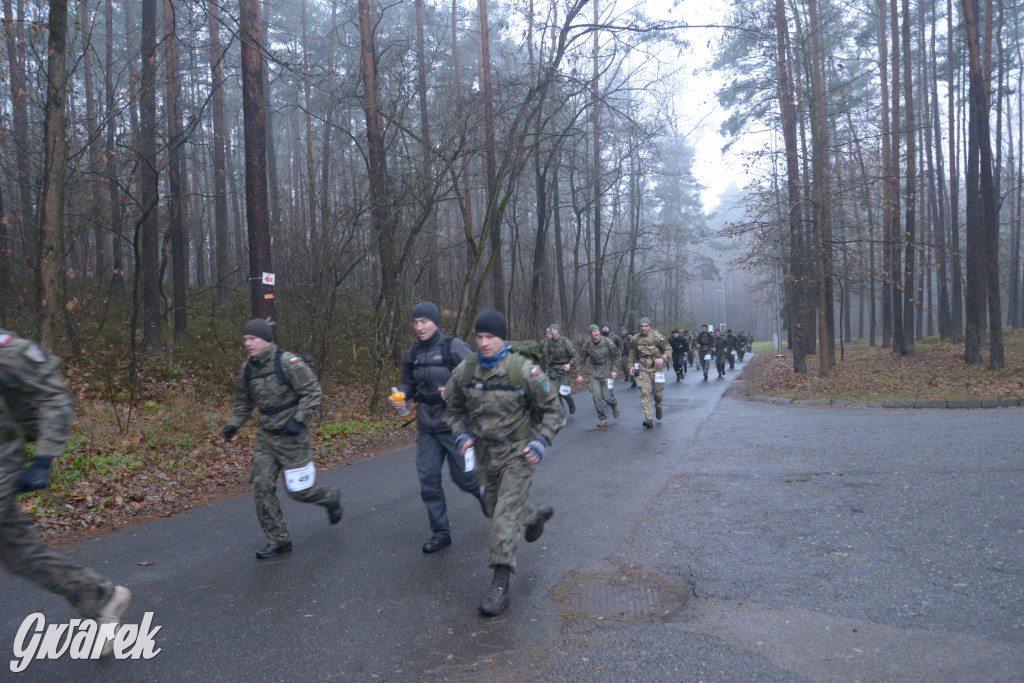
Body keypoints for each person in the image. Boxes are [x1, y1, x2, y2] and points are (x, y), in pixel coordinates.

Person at [0, 330, 130, 656]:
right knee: (21, 555)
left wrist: (44, 458)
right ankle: (99, 596)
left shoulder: (6, 350)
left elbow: (54, 394)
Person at [444, 310, 566, 616]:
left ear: (502, 338)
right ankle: (534, 517)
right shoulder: (467, 370)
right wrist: (460, 435)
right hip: (485, 456)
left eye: (490, 337)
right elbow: (453, 407)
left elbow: (554, 410)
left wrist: (541, 440)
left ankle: (500, 586)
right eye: (480, 337)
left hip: (518, 454)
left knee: (503, 519)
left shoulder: (523, 371)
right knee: (493, 509)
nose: (483, 343)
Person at [223, 319, 342, 559]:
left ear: (265, 340)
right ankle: (279, 539)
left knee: (299, 491)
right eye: (245, 339)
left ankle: (330, 498)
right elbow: (243, 402)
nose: (247, 343)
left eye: (252, 339)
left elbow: (312, 391)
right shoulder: (248, 369)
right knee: (262, 486)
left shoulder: (288, 363)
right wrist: (234, 424)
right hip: (266, 438)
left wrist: (299, 419)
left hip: (293, 438)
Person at [391, 302, 486, 554]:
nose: (419, 327)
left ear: (435, 322)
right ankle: (441, 533)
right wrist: (402, 394)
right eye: (416, 322)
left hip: (456, 427)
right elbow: (409, 383)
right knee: (428, 478)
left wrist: (457, 390)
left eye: (424, 321)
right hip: (427, 427)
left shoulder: (453, 347)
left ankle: (492, 502)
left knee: (466, 479)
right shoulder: (412, 353)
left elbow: (479, 376)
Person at [574, 324, 621, 428]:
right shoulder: (587, 346)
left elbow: (617, 356)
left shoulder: (607, 342)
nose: (596, 333)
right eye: (593, 332)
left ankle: (614, 404)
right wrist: (578, 374)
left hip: (607, 372)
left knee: (607, 397)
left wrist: (614, 370)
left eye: (597, 331)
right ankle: (602, 418)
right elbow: (581, 361)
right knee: (596, 396)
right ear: (590, 334)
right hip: (594, 373)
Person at [628, 317, 671, 428]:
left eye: (646, 326)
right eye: (641, 326)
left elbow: (668, 349)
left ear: (650, 326)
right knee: (644, 392)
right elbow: (632, 352)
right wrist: (631, 366)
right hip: (643, 369)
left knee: (658, 393)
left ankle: (659, 406)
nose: (643, 328)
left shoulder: (657, 337)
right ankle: (649, 418)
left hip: (656, 369)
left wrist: (662, 358)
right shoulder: (636, 338)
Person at [541, 323, 576, 415]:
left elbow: (575, 356)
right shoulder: (548, 343)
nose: (552, 331)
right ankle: (561, 412)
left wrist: (570, 364)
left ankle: (570, 403)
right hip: (553, 369)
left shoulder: (565, 342)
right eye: (551, 330)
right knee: (555, 392)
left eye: (554, 329)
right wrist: (548, 363)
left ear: (558, 331)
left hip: (564, 369)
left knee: (564, 392)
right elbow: (546, 355)